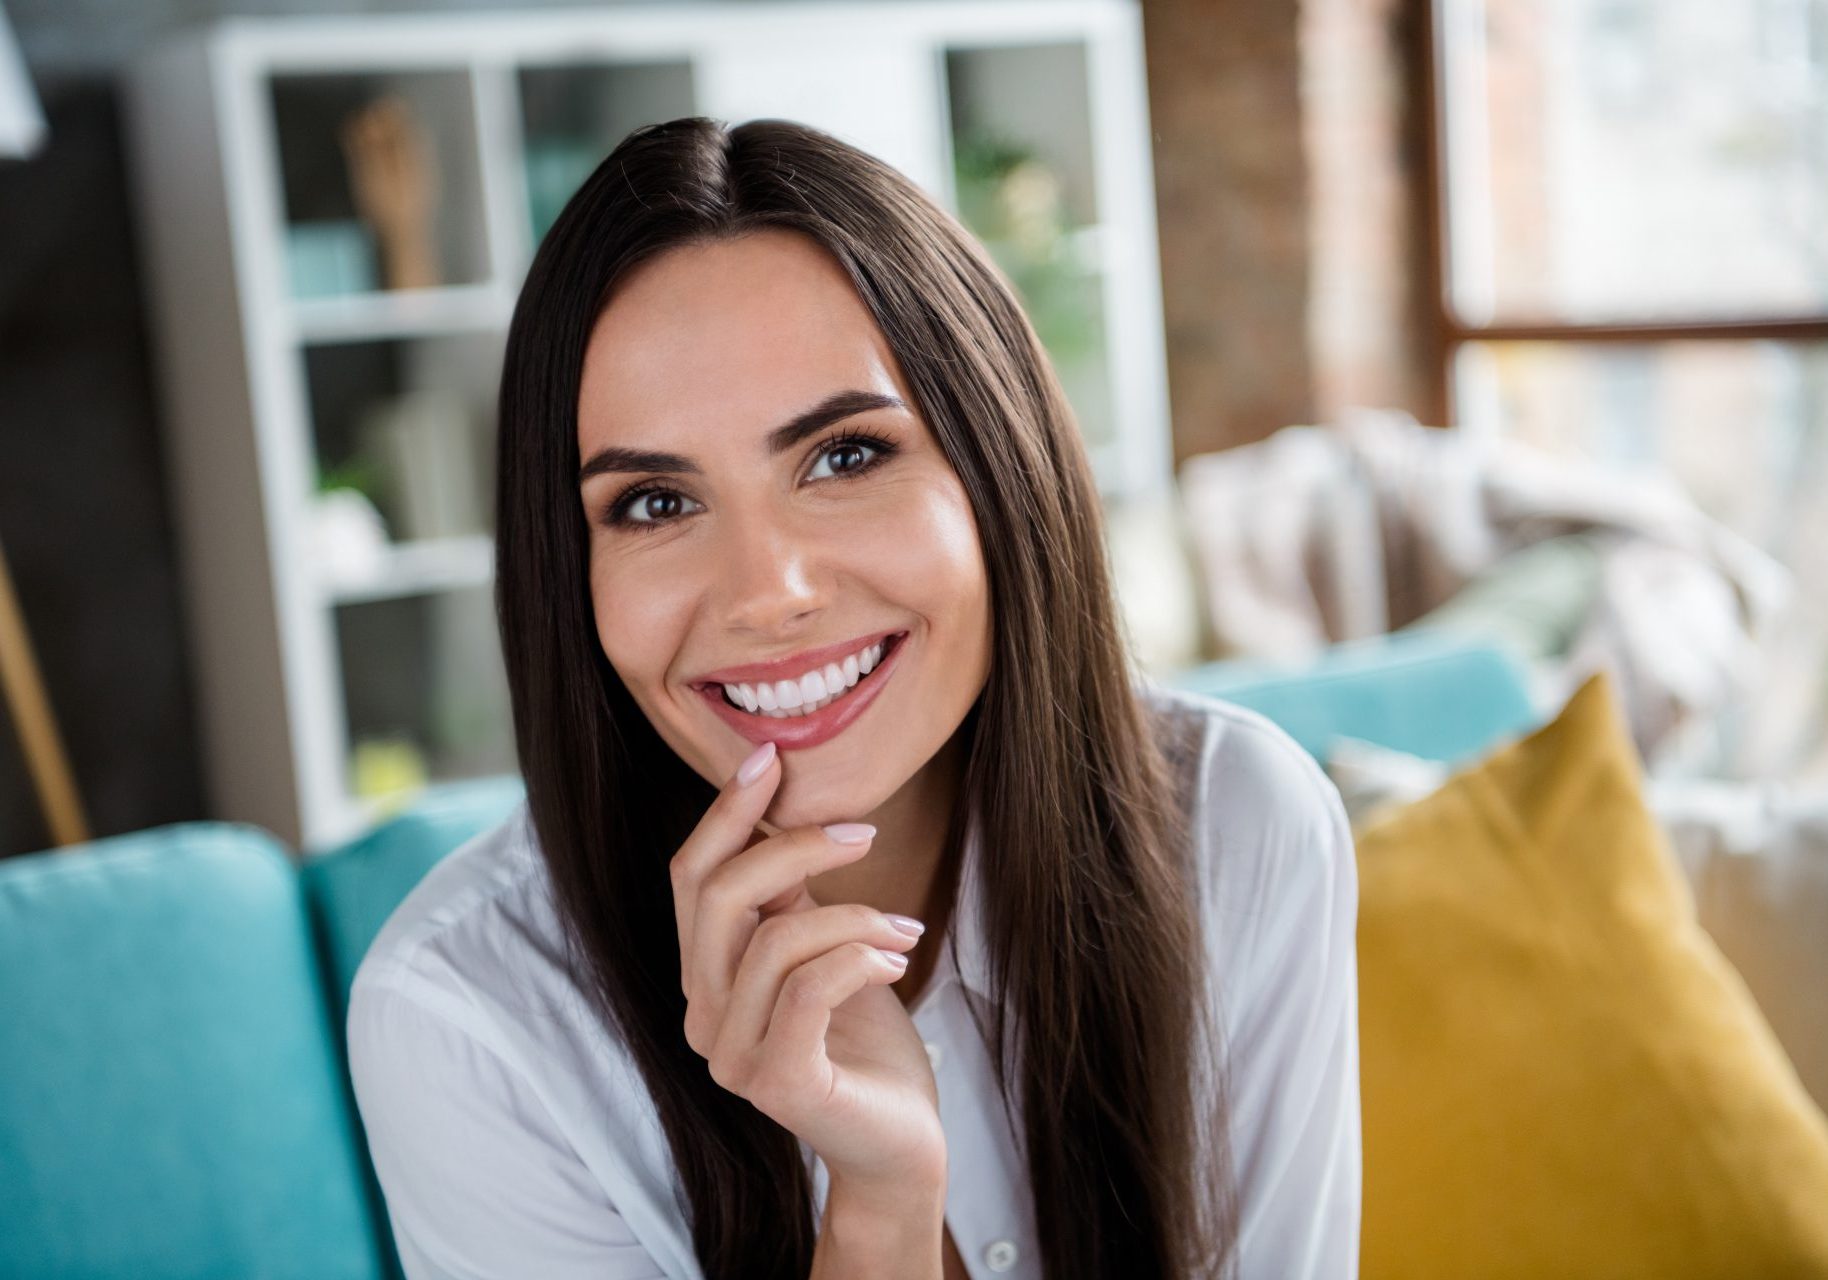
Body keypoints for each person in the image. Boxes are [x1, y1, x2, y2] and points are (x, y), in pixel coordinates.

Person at [345, 116, 1361, 1280]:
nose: (768, 593)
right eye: (655, 505)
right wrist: (877, 1205)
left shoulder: (1235, 825)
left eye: (842, 457)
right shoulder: (469, 1023)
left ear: (1000, 466)